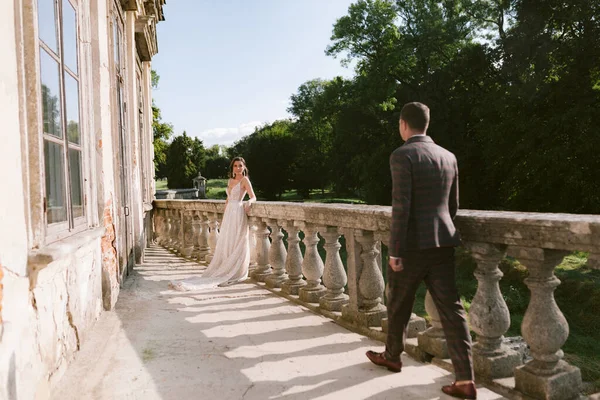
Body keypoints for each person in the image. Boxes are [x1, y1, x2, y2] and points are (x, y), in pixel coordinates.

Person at [365, 102, 476, 399]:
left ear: (403, 124)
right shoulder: (448, 156)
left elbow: (401, 207)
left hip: (412, 246)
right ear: (426, 124)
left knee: (398, 301)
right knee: (453, 312)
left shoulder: (402, 155)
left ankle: (392, 355)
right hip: (443, 243)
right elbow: (453, 207)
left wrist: (396, 250)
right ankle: (465, 379)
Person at [169, 157, 256, 291]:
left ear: (244, 167)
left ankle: (236, 269)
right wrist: (224, 216)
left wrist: (249, 202)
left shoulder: (245, 180)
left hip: (238, 211)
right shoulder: (231, 180)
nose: (238, 168)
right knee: (227, 240)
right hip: (229, 214)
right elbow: (228, 199)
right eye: (235, 166)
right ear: (232, 168)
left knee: (238, 240)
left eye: (240, 166)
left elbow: (253, 196)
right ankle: (225, 266)